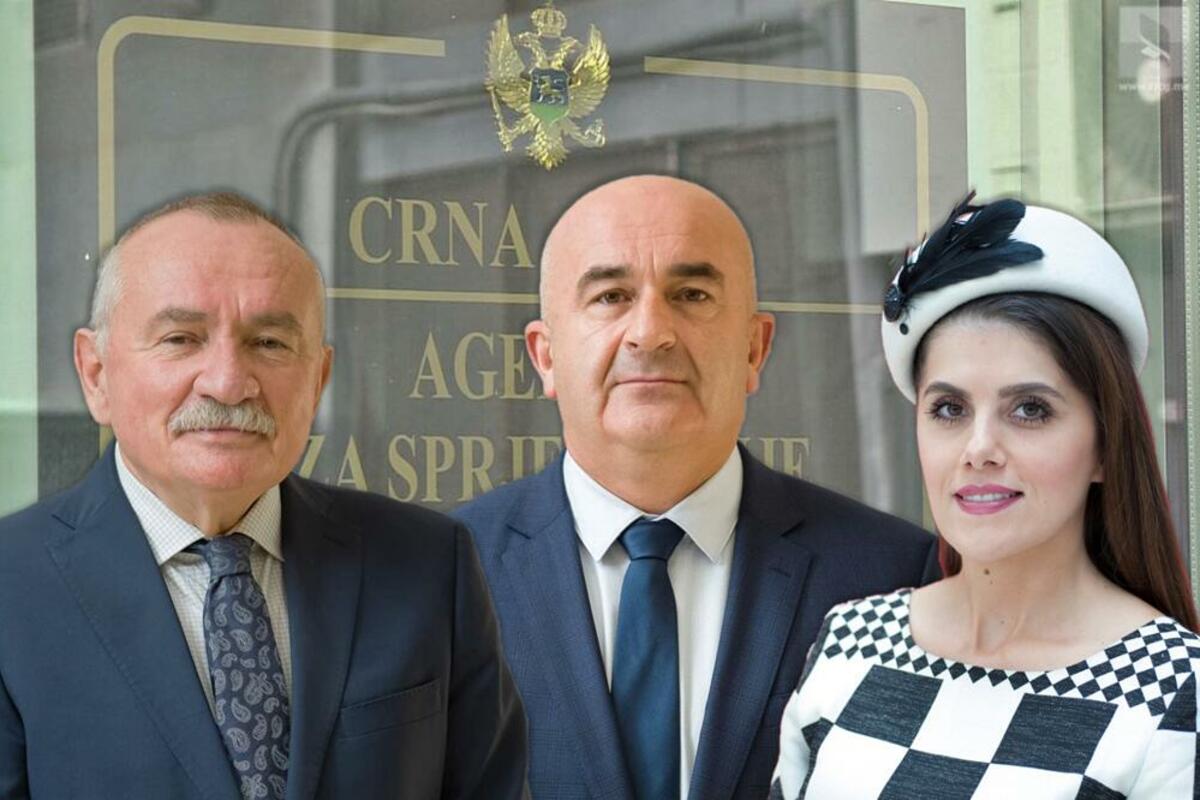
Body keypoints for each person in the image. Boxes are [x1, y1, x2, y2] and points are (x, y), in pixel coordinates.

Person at [0, 192, 528, 800]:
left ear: (318, 378)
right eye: (181, 338)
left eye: (270, 343)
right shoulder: (11, 588)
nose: (228, 382)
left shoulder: (428, 564)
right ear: (96, 374)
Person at [454, 174, 937, 799]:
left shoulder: (891, 575)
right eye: (610, 297)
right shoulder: (444, 576)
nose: (650, 332)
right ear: (545, 356)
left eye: (691, 294)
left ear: (754, 349)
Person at [772, 196, 1200, 798]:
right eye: (949, 408)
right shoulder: (849, 641)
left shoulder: (1173, 689)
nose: (979, 449)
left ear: (1106, 446)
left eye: (1030, 410)